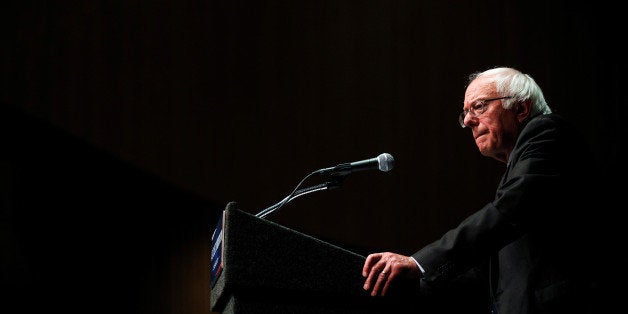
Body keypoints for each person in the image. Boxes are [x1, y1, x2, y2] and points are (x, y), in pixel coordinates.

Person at [361, 67, 605, 313]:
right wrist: (413, 286)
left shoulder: (547, 132)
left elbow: (511, 209)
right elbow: (485, 271)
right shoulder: (517, 175)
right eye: (465, 113)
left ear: (521, 109)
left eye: (479, 106)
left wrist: (420, 262)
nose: (467, 121)